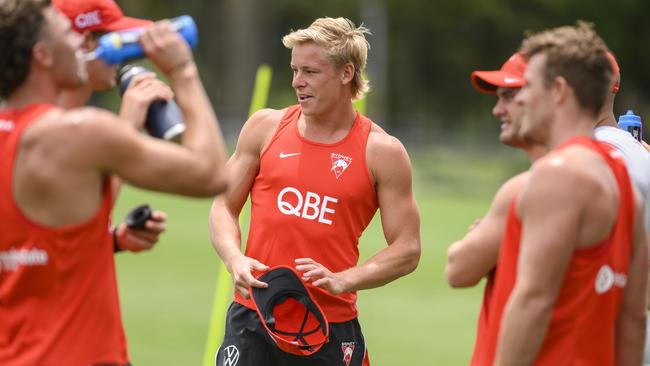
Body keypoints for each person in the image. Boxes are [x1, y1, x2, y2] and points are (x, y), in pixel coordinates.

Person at [0, 1, 228, 364]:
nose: (83, 47)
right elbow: (212, 173)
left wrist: (111, 241)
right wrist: (182, 70)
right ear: (42, 55)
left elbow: (28, 251)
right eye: (70, 38)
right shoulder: (85, 132)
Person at [209, 17, 421, 366]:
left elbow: (407, 248)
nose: (297, 82)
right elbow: (223, 205)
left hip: (328, 329)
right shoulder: (265, 127)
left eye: (310, 71)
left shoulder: (382, 151)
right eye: (294, 70)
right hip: (254, 319)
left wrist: (343, 280)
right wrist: (235, 258)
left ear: (346, 73)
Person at [481, 22, 647, 365]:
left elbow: (533, 300)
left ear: (558, 90)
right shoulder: (624, 168)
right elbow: (634, 316)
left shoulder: (561, 174)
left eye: (527, 86)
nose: (519, 99)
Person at [445, 52, 546, 366]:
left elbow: (458, 270)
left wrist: (485, 236)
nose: (497, 109)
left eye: (510, 96)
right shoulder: (612, 166)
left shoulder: (527, 187)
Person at [53, 0, 175, 253]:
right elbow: (72, 225)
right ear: (87, 43)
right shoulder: (43, 129)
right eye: (116, 39)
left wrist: (114, 241)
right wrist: (127, 129)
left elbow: (55, 240)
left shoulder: (77, 121)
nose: (123, 51)